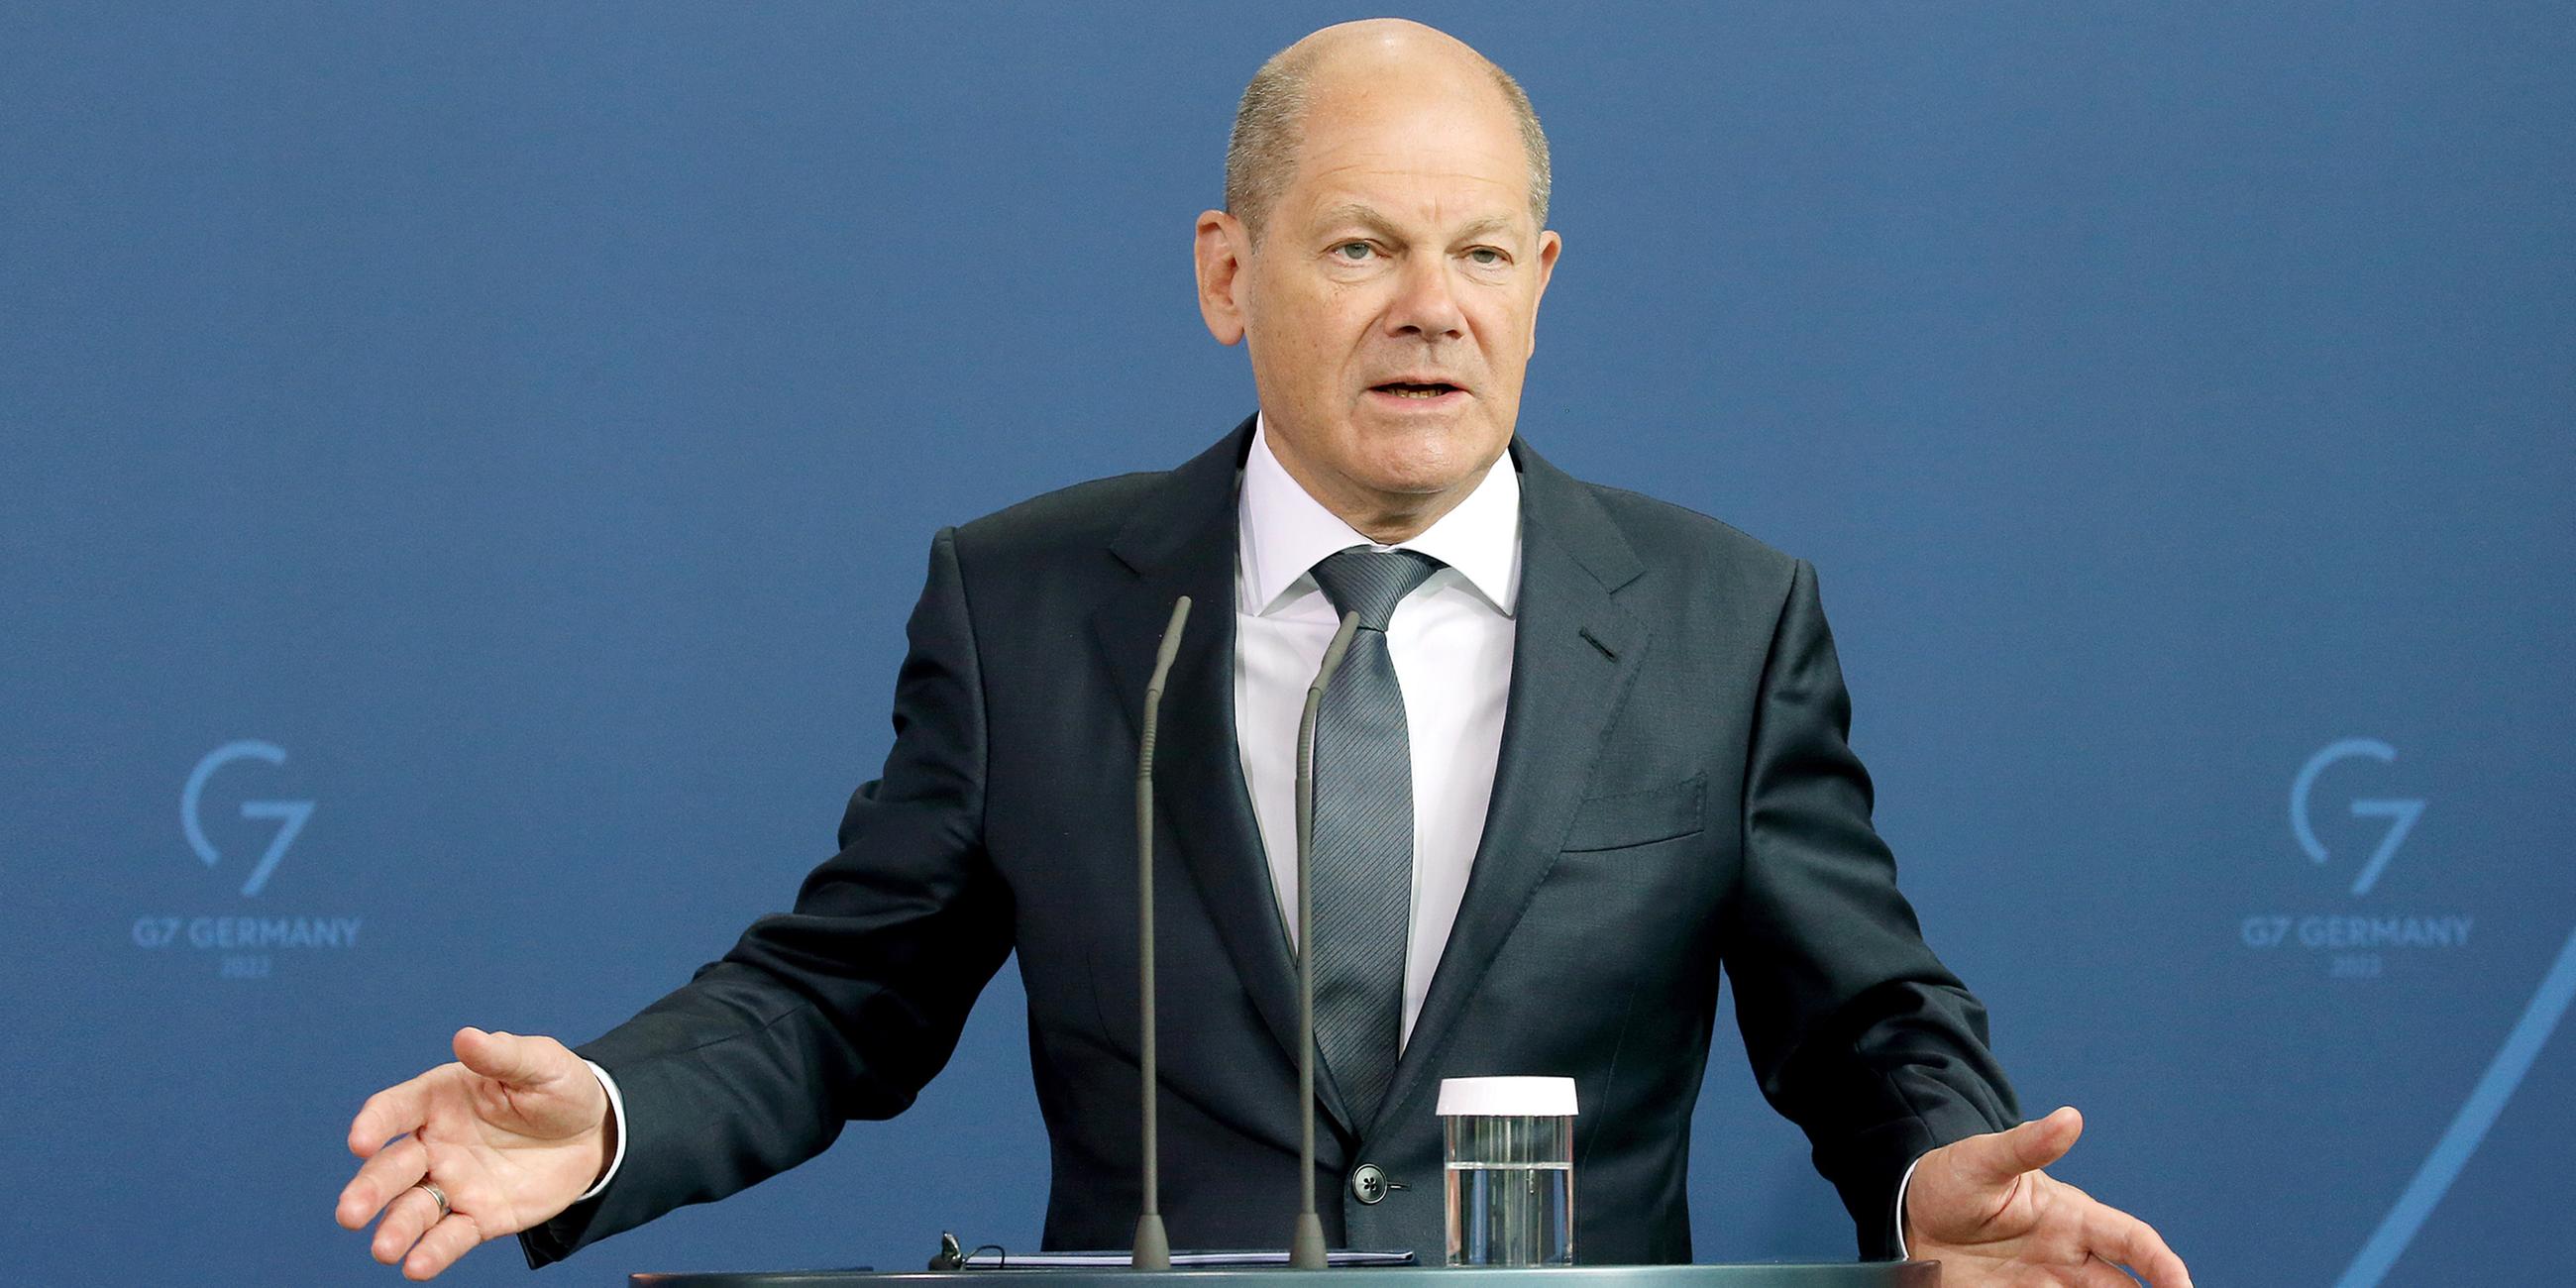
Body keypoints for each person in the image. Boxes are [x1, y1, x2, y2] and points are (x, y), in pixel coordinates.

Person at [336, 20, 2192, 1286]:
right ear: (1228, 273)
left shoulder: (1723, 616)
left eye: (1483, 256)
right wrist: (606, 1118)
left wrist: (1933, 1176)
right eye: (1364, 248)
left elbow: (1865, 1019)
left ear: (1544, 283)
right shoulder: (1035, 605)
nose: (1432, 312)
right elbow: (839, 997)